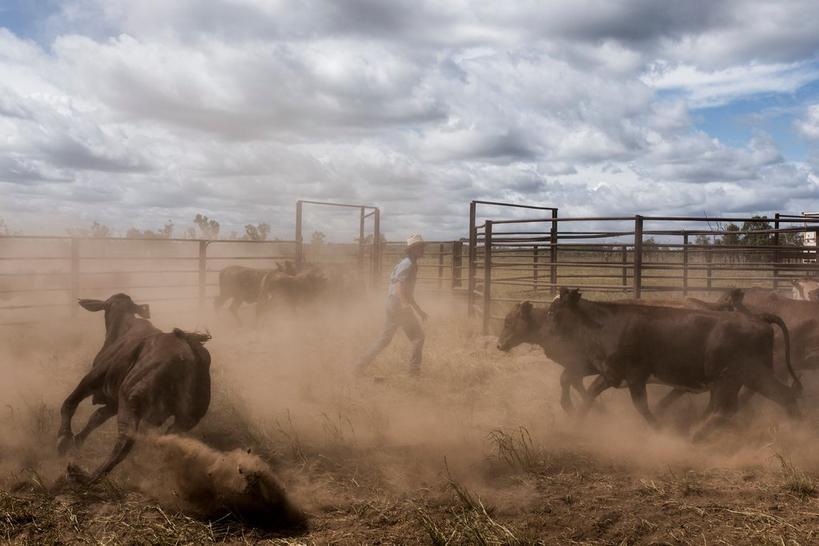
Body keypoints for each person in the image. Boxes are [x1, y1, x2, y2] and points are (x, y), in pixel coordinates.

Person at [356, 234, 428, 376]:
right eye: (419, 247)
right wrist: (404, 304)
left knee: (384, 340)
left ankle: (358, 367)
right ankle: (414, 371)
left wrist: (419, 311)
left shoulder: (409, 263)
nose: (422, 249)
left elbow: (406, 291)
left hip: (393, 303)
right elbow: (399, 286)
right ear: (412, 249)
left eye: (422, 246)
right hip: (398, 304)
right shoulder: (408, 264)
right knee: (418, 337)